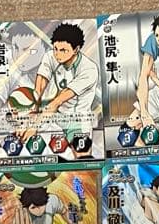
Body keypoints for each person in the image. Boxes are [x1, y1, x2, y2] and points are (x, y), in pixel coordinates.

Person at [14, 23, 99, 159]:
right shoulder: (50, 56)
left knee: (83, 158)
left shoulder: (89, 69)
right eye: (55, 49)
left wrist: (33, 127)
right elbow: (38, 90)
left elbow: (57, 102)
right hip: (51, 112)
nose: (58, 54)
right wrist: (26, 120)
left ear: (76, 49)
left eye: (63, 50)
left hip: (75, 118)